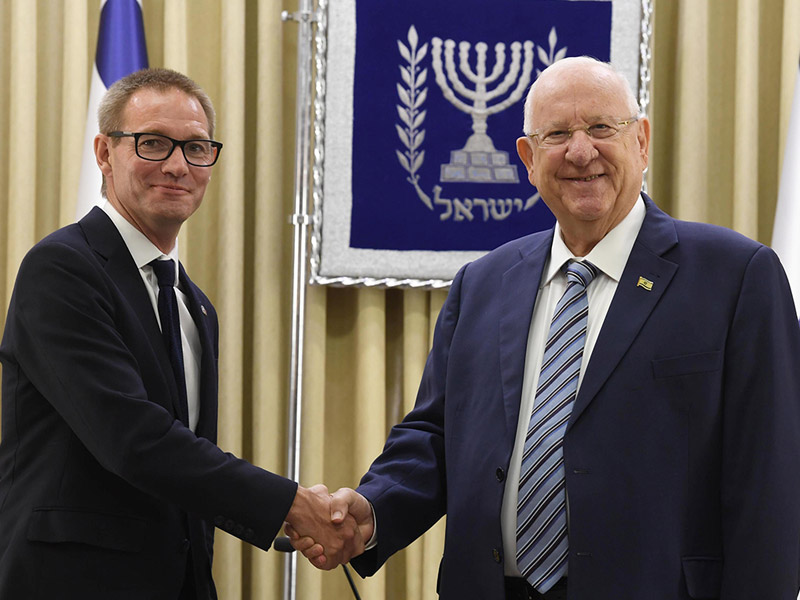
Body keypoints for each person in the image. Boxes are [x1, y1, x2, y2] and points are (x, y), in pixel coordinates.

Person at [289, 57, 800, 599]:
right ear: (529, 160)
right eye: (557, 134)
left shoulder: (735, 277)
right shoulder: (481, 285)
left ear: (642, 142)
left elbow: (771, 480)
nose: (581, 152)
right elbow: (437, 437)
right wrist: (372, 511)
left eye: (602, 128)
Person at [0, 68, 361, 599]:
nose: (177, 166)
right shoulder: (62, 268)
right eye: (153, 144)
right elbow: (132, 438)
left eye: (196, 148)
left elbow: (183, 464)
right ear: (104, 153)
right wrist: (288, 504)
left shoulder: (196, 306)